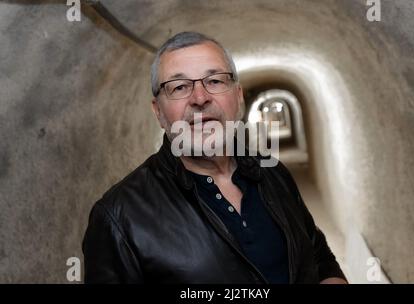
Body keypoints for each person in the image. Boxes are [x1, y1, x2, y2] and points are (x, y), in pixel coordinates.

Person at [82, 31, 347, 284]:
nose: (200, 97)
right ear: (159, 112)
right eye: (179, 86)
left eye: (215, 81)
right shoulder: (119, 218)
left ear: (238, 96)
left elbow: (319, 256)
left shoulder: (273, 172)